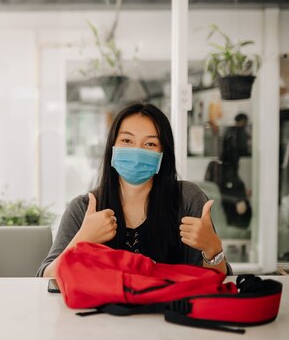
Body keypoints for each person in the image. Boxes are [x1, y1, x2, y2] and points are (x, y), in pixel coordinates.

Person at [38, 102, 230, 278]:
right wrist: (81, 241)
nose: (137, 151)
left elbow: (217, 280)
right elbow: (45, 277)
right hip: (101, 315)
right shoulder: (84, 207)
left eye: (150, 144)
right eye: (127, 141)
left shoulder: (187, 199)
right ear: (112, 147)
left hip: (169, 314)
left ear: (163, 155)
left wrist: (213, 249)